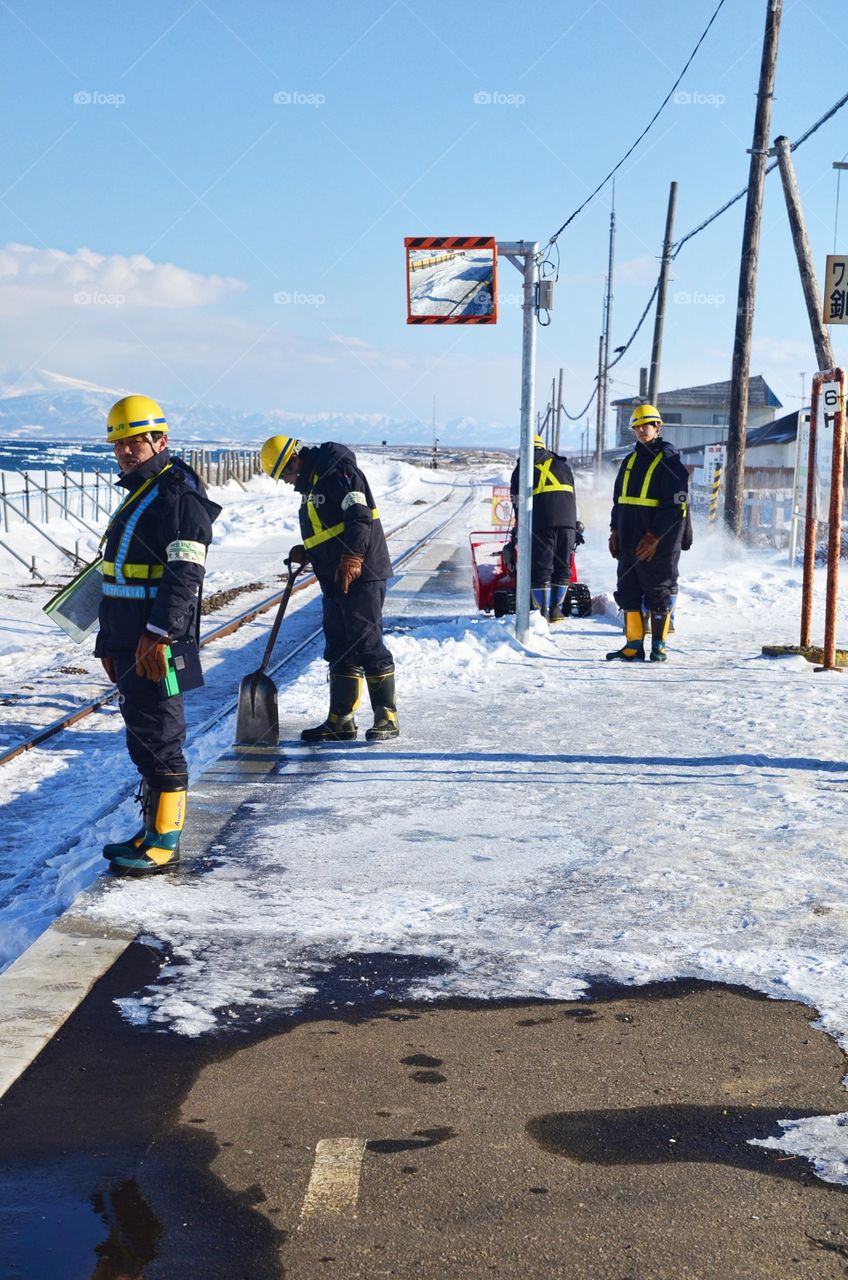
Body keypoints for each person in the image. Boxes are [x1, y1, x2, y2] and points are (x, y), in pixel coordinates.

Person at [97, 395, 220, 875]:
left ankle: (164, 840)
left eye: (135, 442)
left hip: (158, 640)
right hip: (130, 637)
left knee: (160, 734)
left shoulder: (178, 496)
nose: (126, 451)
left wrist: (158, 634)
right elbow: (117, 575)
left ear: (160, 440)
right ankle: (150, 826)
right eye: (119, 444)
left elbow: (184, 574)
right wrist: (108, 640)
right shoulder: (142, 491)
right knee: (143, 732)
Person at [260, 434, 398, 742]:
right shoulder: (314, 482)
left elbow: (358, 515)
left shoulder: (337, 471)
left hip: (362, 571)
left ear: (295, 459)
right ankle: (341, 720)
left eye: (285, 473)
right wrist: (309, 549)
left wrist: (352, 556)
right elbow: (331, 527)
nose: (286, 481)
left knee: (366, 641)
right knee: (339, 645)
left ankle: (386, 715)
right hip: (336, 575)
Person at [608, 403, 689, 663]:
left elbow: (676, 503)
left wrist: (654, 536)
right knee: (627, 590)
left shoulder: (669, 460)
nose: (641, 430)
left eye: (647, 425)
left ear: (658, 427)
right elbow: (618, 499)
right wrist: (614, 530)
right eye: (637, 426)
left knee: (658, 591)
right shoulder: (630, 460)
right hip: (629, 537)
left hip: (659, 543)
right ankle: (633, 645)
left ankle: (659, 646)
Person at [509, 435, 578, 622]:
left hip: (541, 524)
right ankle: (557, 610)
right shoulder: (563, 466)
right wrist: (574, 524)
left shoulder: (522, 468)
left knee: (542, 568)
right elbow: (571, 496)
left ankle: (543, 612)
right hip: (568, 524)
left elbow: (517, 501)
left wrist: (519, 525)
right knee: (563, 567)